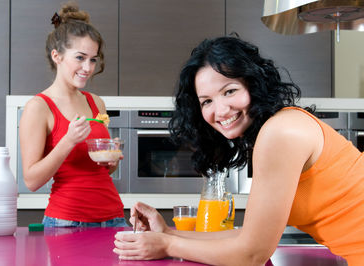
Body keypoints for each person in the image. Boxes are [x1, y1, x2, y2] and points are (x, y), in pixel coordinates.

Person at [113, 34, 364, 265]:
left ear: (253, 85)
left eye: (229, 91)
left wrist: (168, 245)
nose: (220, 111)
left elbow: (252, 254)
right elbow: (248, 237)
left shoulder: (280, 133)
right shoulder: (279, 127)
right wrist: (168, 233)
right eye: (207, 101)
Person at [19, 2, 127, 228]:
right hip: (66, 222)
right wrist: (68, 140)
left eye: (93, 59)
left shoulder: (95, 102)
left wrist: (111, 157)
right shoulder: (38, 107)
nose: (88, 68)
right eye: (80, 57)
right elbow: (31, 180)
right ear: (57, 56)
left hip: (114, 217)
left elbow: (102, 170)